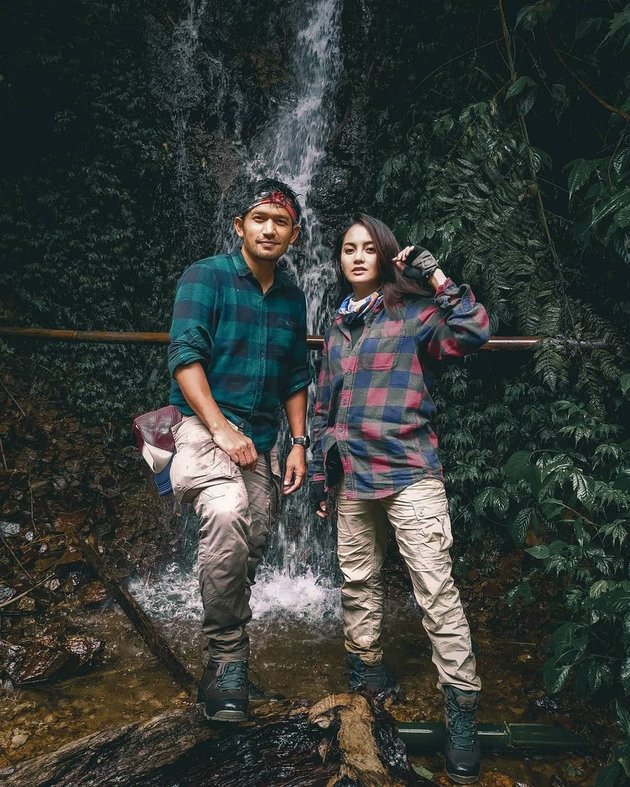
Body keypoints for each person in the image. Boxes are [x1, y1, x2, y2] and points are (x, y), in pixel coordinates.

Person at [309, 213, 490, 784]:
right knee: (357, 579)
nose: (357, 257)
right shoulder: (337, 328)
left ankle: (461, 710)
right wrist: (321, 477)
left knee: (434, 589)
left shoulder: (414, 314)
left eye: (369, 248)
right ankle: (366, 674)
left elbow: (472, 330)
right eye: (347, 249)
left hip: (411, 472)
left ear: (387, 257)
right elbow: (321, 406)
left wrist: (434, 274)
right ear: (339, 261)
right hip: (353, 478)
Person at [167, 178, 311, 722]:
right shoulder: (205, 277)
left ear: (293, 234)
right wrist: (222, 429)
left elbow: (296, 374)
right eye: (259, 219)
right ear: (240, 227)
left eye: (280, 222)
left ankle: (222, 645)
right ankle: (228, 656)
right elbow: (185, 358)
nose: (269, 229)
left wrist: (299, 443)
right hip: (204, 429)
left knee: (252, 536)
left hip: (266, 439)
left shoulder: (293, 296)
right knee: (227, 515)